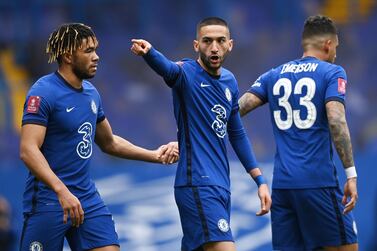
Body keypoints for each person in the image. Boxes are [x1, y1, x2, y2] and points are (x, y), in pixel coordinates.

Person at [19, 23, 178, 251]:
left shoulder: (91, 93)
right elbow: (28, 150)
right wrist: (61, 191)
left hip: (85, 197)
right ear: (68, 56)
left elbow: (109, 142)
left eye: (95, 49)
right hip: (48, 200)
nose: (96, 57)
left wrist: (156, 155)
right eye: (88, 51)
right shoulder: (43, 92)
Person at [131, 17, 271, 251]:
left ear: (230, 45)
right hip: (197, 183)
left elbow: (236, 133)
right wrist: (150, 52)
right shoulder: (186, 73)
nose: (214, 47)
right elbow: (167, 69)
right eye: (207, 41)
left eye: (220, 41)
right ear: (196, 45)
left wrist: (260, 180)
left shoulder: (229, 81)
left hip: (220, 186)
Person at [239, 15, 358, 250]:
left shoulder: (273, 74)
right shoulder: (332, 72)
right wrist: (351, 174)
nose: (335, 53)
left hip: (283, 187)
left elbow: (237, 109)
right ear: (328, 43)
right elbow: (336, 120)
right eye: (336, 46)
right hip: (318, 183)